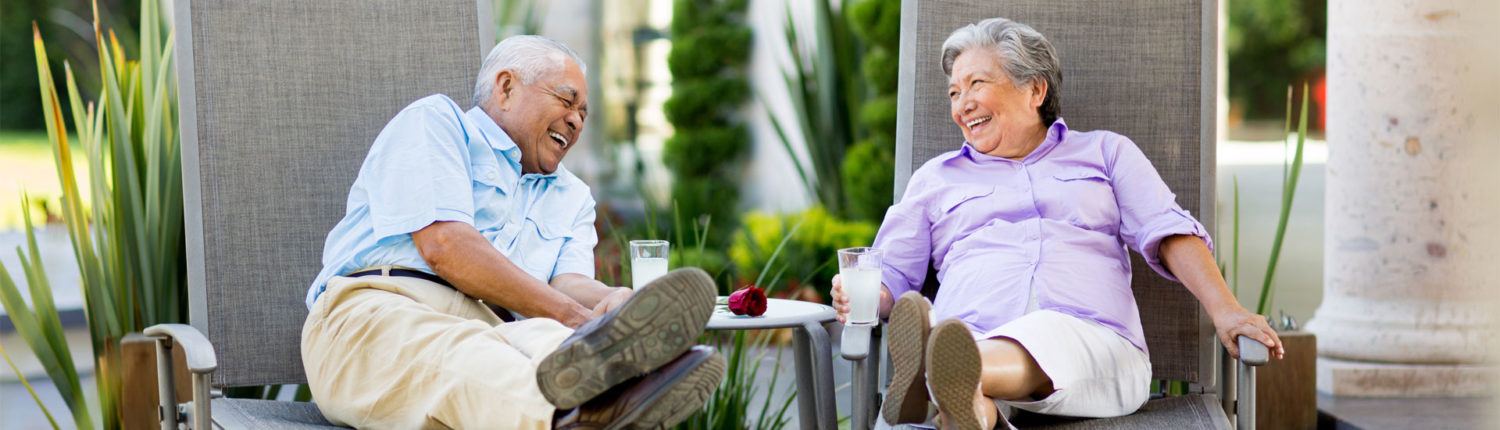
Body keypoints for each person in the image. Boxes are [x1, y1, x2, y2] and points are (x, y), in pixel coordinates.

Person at [830, 18, 1285, 430]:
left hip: (1091, 339)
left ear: (1035, 91)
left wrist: (1227, 311)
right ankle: (963, 396)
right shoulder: (935, 178)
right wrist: (860, 295)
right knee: (968, 400)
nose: (962, 104)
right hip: (968, 328)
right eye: (954, 92)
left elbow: (1168, 231)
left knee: (1041, 335)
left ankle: (938, 374)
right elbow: (888, 277)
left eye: (976, 84)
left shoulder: (1106, 153)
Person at [300, 35, 723, 429]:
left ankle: (621, 391)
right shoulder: (437, 124)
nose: (576, 121)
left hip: (495, 327)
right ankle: (580, 415)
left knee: (547, 340)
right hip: (376, 313)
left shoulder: (573, 196)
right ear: (506, 88)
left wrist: (611, 306)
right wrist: (578, 320)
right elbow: (445, 246)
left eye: (583, 114)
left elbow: (568, 283)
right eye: (566, 101)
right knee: (476, 354)